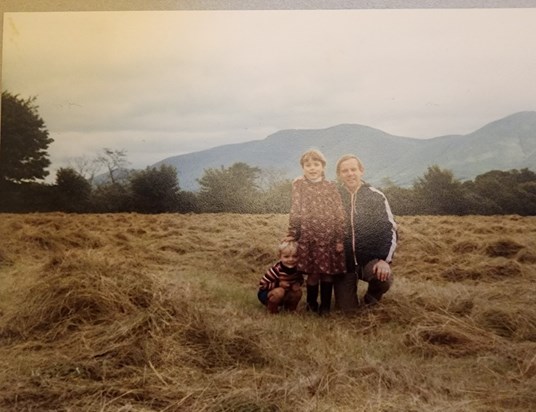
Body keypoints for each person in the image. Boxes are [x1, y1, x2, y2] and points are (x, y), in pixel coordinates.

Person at [285, 149, 346, 315]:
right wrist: (292, 231)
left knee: (327, 274)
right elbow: (295, 209)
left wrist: (339, 238)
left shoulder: (331, 186)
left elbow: (339, 212)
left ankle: (325, 307)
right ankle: (311, 305)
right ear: (303, 167)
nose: (312, 168)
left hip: (328, 238)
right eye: (308, 165)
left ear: (323, 166)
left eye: (316, 164)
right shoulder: (299, 185)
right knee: (312, 274)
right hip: (308, 236)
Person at [333, 154, 398, 311]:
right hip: (344, 264)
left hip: (369, 260)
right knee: (347, 312)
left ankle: (372, 298)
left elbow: (389, 229)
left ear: (361, 171)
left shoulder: (375, 196)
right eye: (345, 171)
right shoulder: (333, 196)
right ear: (339, 175)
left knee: (383, 278)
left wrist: (384, 260)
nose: (349, 174)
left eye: (353, 169)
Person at [258, 240, 304, 314]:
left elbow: (300, 279)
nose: (291, 259)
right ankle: (272, 310)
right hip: (267, 294)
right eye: (286, 257)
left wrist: (297, 284)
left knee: (298, 292)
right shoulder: (276, 269)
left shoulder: (297, 268)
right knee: (279, 291)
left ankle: (290, 309)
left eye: (295, 256)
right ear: (280, 256)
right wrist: (278, 284)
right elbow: (262, 285)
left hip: (286, 292)